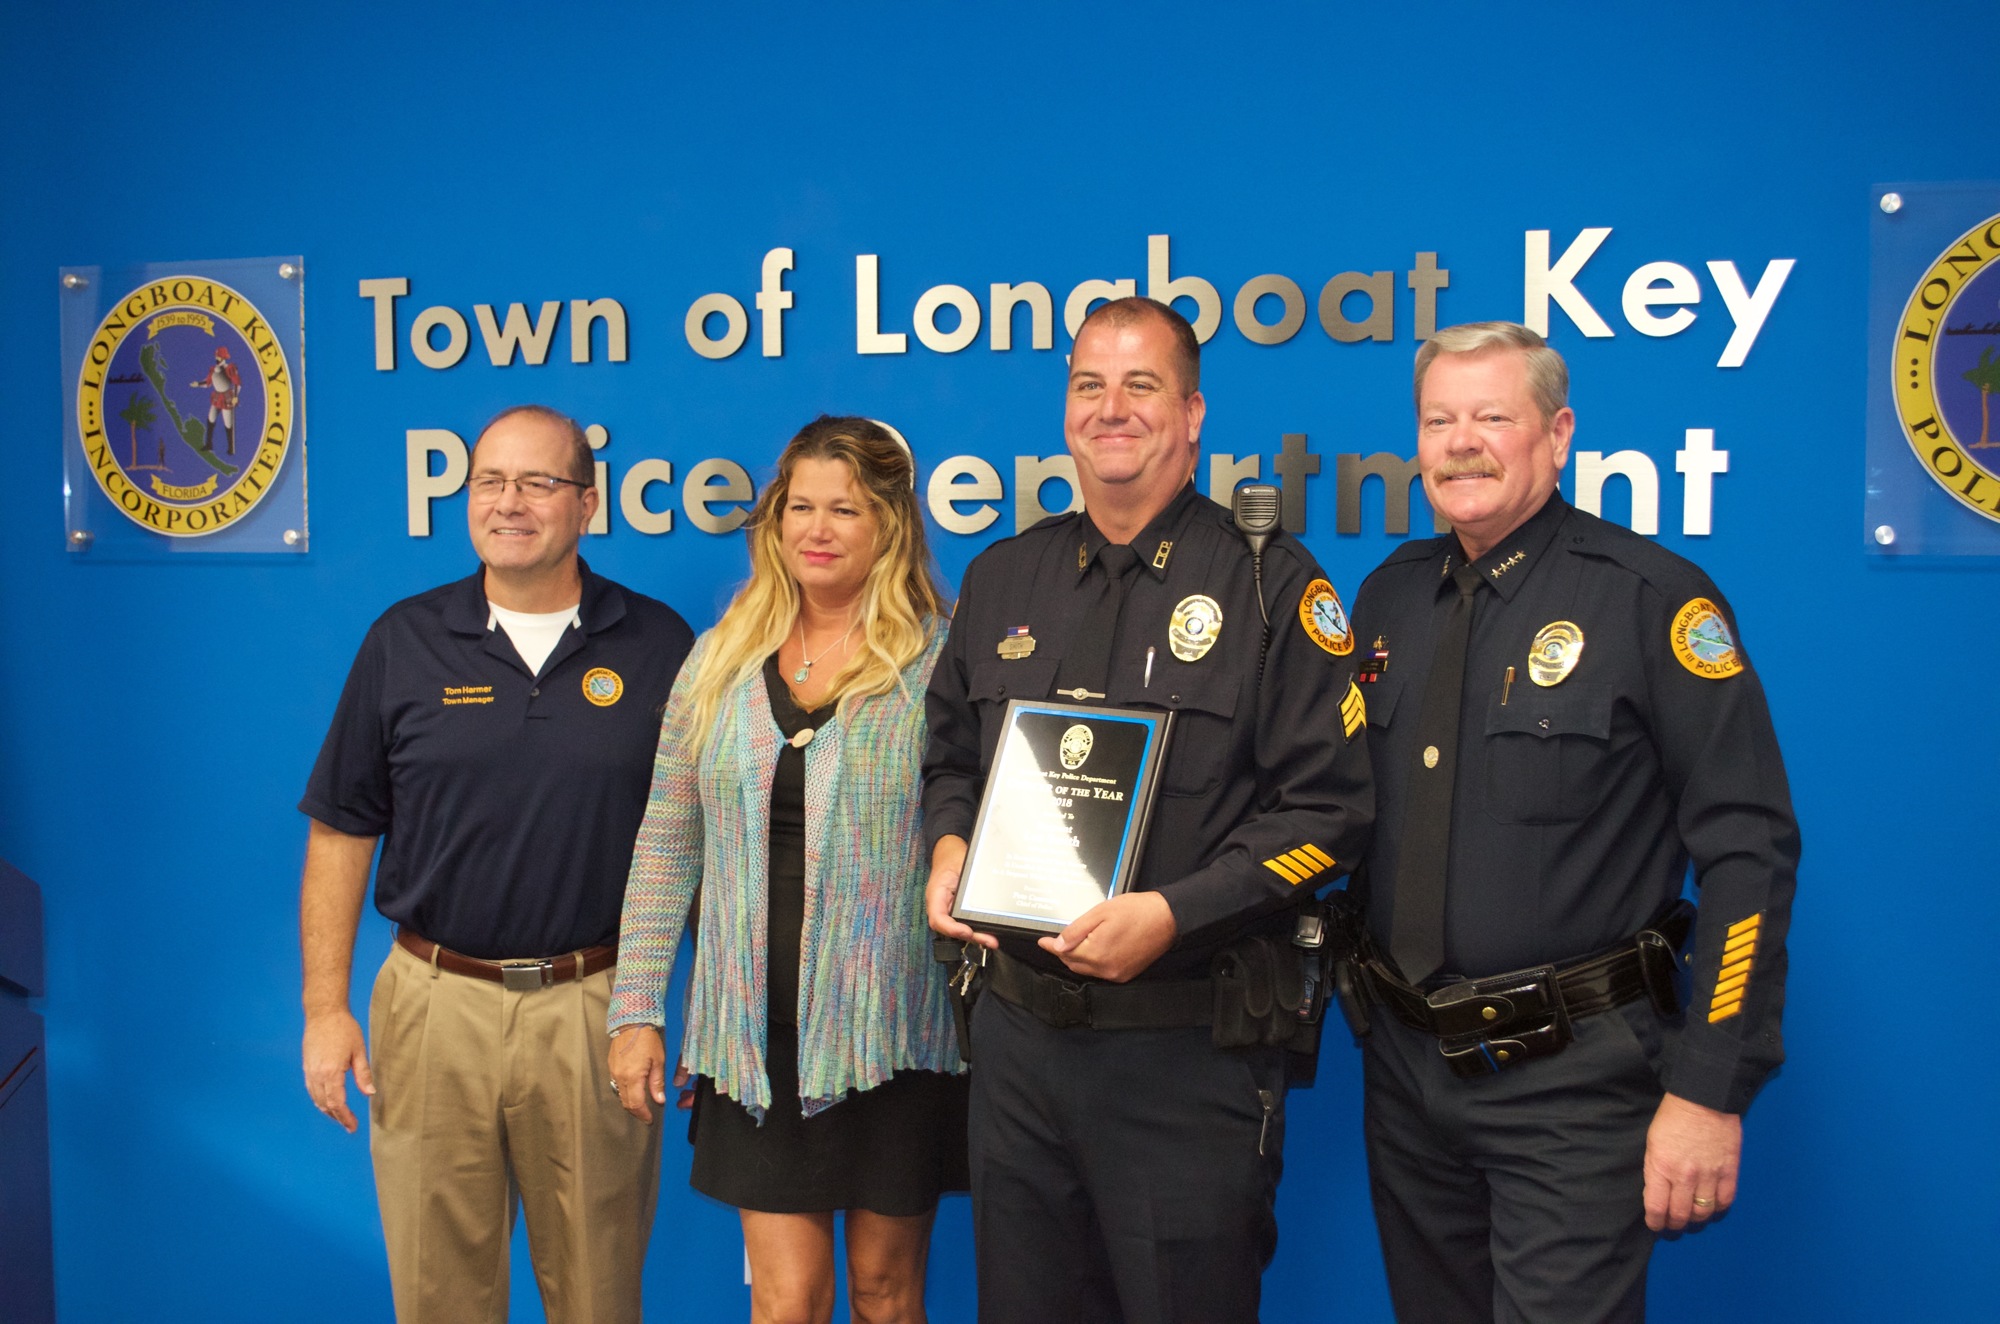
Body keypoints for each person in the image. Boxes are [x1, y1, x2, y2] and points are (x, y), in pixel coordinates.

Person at [923, 297, 1374, 1324]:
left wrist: (1175, 911)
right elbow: (949, 750)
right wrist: (948, 841)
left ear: (1192, 412)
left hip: (1183, 1055)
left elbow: (1330, 814)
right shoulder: (1002, 577)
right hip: (1018, 1051)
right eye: (1089, 384)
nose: (1110, 408)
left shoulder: (1270, 588)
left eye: (1140, 385)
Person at [1346, 321, 1800, 1321]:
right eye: (1437, 420)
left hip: (1571, 1084)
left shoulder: (1650, 599)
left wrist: (1707, 1086)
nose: (1460, 441)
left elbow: (1746, 851)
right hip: (1407, 1077)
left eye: (1490, 417)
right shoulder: (1384, 602)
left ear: (1556, 436)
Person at [298, 404, 694, 1324]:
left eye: (537, 483)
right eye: (489, 481)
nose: (508, 503)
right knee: (440, 1299)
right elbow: (342, 831)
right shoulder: (405, 640)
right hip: (434, 1004)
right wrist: (325, 1009)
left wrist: (704, 1015)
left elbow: (699, 843)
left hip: (596, 1009)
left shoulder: (659, 645)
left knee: (598, 1296)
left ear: (587, 505)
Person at [608, 416, 966, 1324]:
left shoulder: (940, 662)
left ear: (889, 522)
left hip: (893, 1036)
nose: (817, 528)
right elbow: (665, 841)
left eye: (844, 508)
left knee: (886, 1295)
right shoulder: (719, 660)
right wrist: (637, 1008)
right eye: (799, 506)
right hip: (752, 1044)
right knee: (785, 1300)